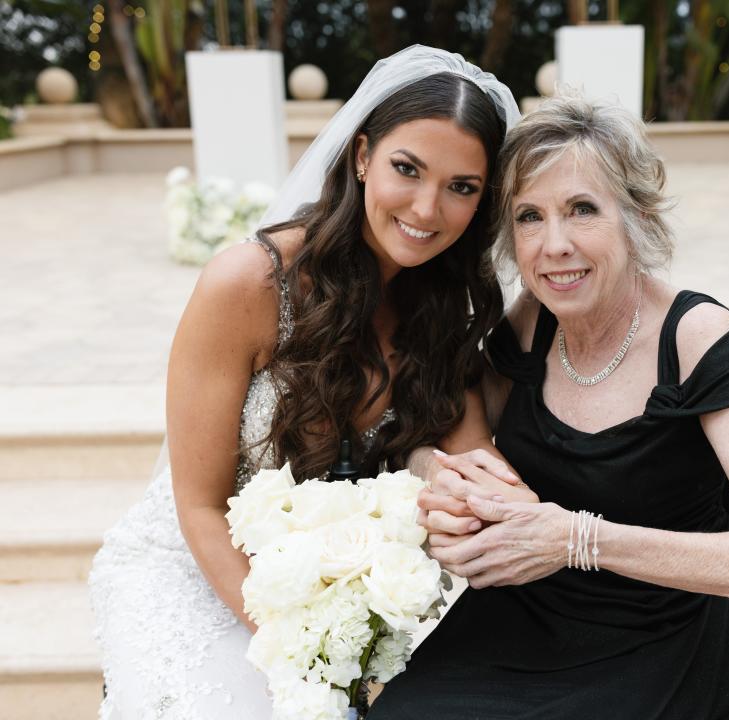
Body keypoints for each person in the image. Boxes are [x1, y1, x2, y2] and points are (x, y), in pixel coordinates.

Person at [367, 96, 729, 719]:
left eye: (581, 210)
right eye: (529, 217)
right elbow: (446, 429)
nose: (553, 245)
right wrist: (438, 474)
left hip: (667, 628)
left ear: (635, 216)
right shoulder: (533, 325)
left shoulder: (693, 337)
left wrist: (576, 539)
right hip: (527, 618)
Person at [87, 46, 522, 720]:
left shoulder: (440, 311)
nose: (427, 208)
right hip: (191, 566)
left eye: (462, 187)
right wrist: (302, 647)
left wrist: (502, 506)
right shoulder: (249, 284)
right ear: (360, 156)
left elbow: (470, 468)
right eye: (406, 170)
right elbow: (199, 508)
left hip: (331, 590)